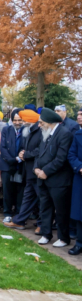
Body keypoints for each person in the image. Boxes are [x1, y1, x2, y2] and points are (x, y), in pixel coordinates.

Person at [34, 108, 74, 247]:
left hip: (59, 181)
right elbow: (40, 153)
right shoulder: (45, 132)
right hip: (43, 179)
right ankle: (46, 234)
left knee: (61, 210)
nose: (39, 125)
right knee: (45, 208)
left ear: (49, 122)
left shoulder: (64, 133)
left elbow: (61, 158)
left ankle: (63, 238)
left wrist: (45, 171)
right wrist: (36, 168)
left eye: (41, 122)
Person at [5, 110, 43, 230]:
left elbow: (40, 150)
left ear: (30, 121)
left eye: (24, 120)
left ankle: (42, 225)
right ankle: (19, 221)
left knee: (42, 199)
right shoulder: (29, 131)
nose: (22, 123)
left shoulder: (40, 132)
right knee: (27, 197)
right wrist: (23, 153)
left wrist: (25, 154)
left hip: (37, 170)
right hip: (29, 171)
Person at [0, 108, 25, 223]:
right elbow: (3, 147)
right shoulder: (6, 129)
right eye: (15, 120)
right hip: (7, 165)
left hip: (21, 165)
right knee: (7, 190)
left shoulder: (26, 131)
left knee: (20, 190)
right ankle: (8, 212)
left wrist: (20, 158)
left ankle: (19, 213)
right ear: (11, 120)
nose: (17, 122)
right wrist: (13, 159)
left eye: (20, 120)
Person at [67, 108, 82, 255]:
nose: (79, 117)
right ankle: (79, 243)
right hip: (80, 178)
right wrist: (79, 167)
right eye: (78, 114)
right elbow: (71, 155)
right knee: (79, 212)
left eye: (81, 115)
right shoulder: (77, 134)